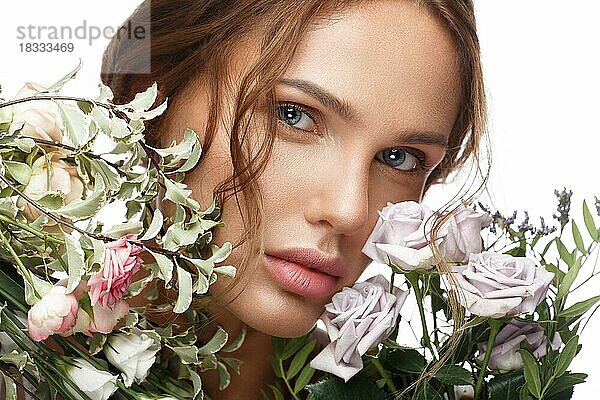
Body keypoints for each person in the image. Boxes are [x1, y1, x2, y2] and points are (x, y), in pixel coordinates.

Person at [101, 0, 487, 398]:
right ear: (150, 92)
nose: (349, 211)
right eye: (294, 115)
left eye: (400, 158)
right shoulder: (34, 367)